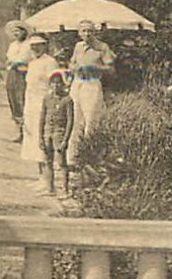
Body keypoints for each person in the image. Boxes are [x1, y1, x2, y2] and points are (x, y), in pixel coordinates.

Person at [69, 19, 115, 163]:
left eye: (90, 31)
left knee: (91, 121)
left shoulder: (102, 47)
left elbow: (111, 70)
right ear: (79, 33)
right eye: (83, 31)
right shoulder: (78, 46)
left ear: (95, 32)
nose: (87, 34)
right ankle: (72, 158)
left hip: (92, 85)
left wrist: (95, 68)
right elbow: (72, 63)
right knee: (74, 120)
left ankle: (88, 158)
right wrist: (73, 68)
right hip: (77, 84)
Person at [20, 35, 59, 168]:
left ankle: (47, 177)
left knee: (42, 135)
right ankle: (40, 174)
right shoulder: (32, 62)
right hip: (31, 101)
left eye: (39, 45)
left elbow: (54, 84)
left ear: (45, 46)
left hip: (43, 101)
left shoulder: (50, 62)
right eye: (33, 46)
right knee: (32, 134)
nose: (35, 48)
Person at [38, 66, 75, 196]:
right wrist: (40, 137)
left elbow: (70, 121)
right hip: (48, 132)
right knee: (48, 161)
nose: (55, 85)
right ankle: (50, 188)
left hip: (59, 133)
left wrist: (65, 139)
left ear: (63, 84)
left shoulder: (67, 100)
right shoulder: (47, 98)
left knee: (61, 162)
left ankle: (65, 189)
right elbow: (42, 118)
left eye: (58, 82)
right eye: (53, 82)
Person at [3, 20, 34, 133]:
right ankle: (18, 129)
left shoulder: (29, 44)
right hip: (13, 73)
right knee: (13, 98)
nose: (16, 34)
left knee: (22, 98)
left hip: (24, 73)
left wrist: (18, 62)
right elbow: (8, 59)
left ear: (24, 32)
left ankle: (27, 130)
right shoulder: (12, 45)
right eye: (14, 31)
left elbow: (27, 59)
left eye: (19, 31)